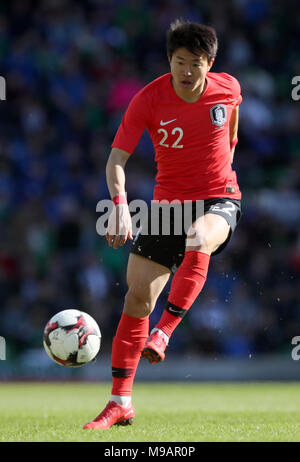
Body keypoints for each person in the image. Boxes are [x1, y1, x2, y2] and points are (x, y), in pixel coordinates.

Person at [83, 18, 242, 430]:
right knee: (136, 300)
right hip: (166, 206)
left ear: (211, 63)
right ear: (169, 60)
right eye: (180, 61)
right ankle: (119, 403)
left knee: (198, 237)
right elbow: (117, 159)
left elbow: (231, 134)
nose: (187, 71)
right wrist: (119, 204)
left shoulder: (229, 90)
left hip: (217, 199)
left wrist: (223, 177)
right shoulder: (148, 100)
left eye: (196, 63)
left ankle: (165, 332)